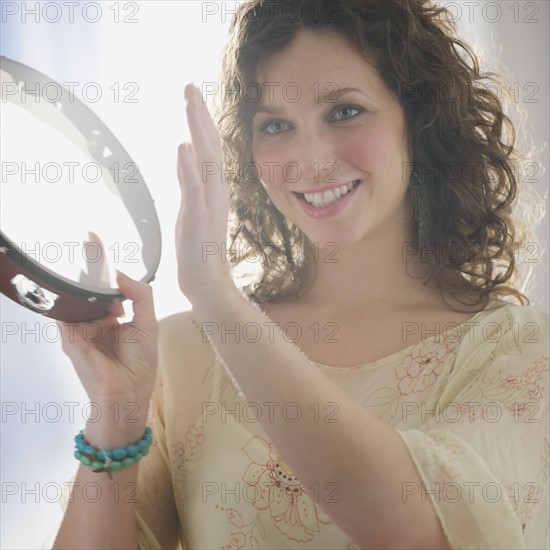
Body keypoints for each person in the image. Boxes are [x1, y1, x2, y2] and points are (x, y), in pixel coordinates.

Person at [50, 1, 549, 548]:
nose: (309, 162)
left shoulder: (521, 351)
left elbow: (420, 530)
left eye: (344, 112)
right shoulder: (180, 354)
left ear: (421, 120)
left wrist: (217, 295)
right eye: (277, 125)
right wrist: (116, 416)